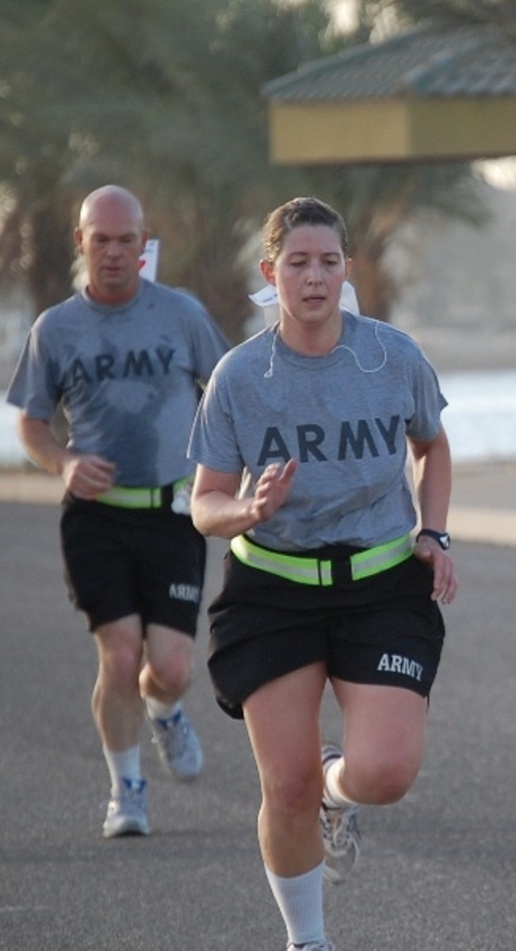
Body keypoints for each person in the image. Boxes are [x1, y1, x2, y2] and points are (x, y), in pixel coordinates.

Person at [187, 196, 457, 951]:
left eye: (329, 263)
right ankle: (307, 940)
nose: (314, 278)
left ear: (347, 270)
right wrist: (246, 508)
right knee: (287, 786)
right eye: (298, 264)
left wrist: (433, 531)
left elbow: (432, 447)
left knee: (385, 771)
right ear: (271, 273)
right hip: (272, 588)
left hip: (380, 582)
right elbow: (203, 502)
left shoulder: (391, 355)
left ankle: (340, 789)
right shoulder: (240, 376)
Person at [5, 184, 230, 838]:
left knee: (172, 667)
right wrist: (65, 462)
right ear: (82, 242)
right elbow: (32, 423)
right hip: (96, 516)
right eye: (99, 239)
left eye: (124, 239)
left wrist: (231, 473)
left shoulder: (182, 315)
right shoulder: (57, 328)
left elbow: (228, 388)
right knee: (121, 652)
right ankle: (126, 788)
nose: (112, 251)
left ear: (142, 245)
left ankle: (165, 710)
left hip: (173, 514)